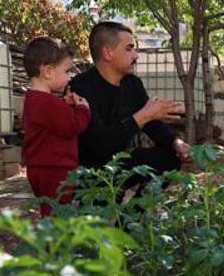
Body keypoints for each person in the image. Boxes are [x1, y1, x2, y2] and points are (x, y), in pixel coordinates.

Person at [69, 21, 190, 198]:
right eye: (129, 48)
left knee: (170, 156)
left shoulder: (132, 84)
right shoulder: (80, 87)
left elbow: (152, 125)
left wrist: (176, 142)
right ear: (108, 53)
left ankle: (133, 218)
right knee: (98, 219)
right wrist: (143, 116)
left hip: (121, 165)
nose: (136, 55)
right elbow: (98, 146)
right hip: (90, 174)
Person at [22, 37, 91, 216]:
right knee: (57, 216)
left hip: (38, 168)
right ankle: (54, 244)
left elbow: (54, 123)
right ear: (48, 71)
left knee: (49, 211)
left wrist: (65, 106)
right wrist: (83, 109)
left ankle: (51, 242)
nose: (70, 76)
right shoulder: (49, 103)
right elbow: (73, 126)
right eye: (67, 71)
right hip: (56, 170)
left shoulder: (32, 99)